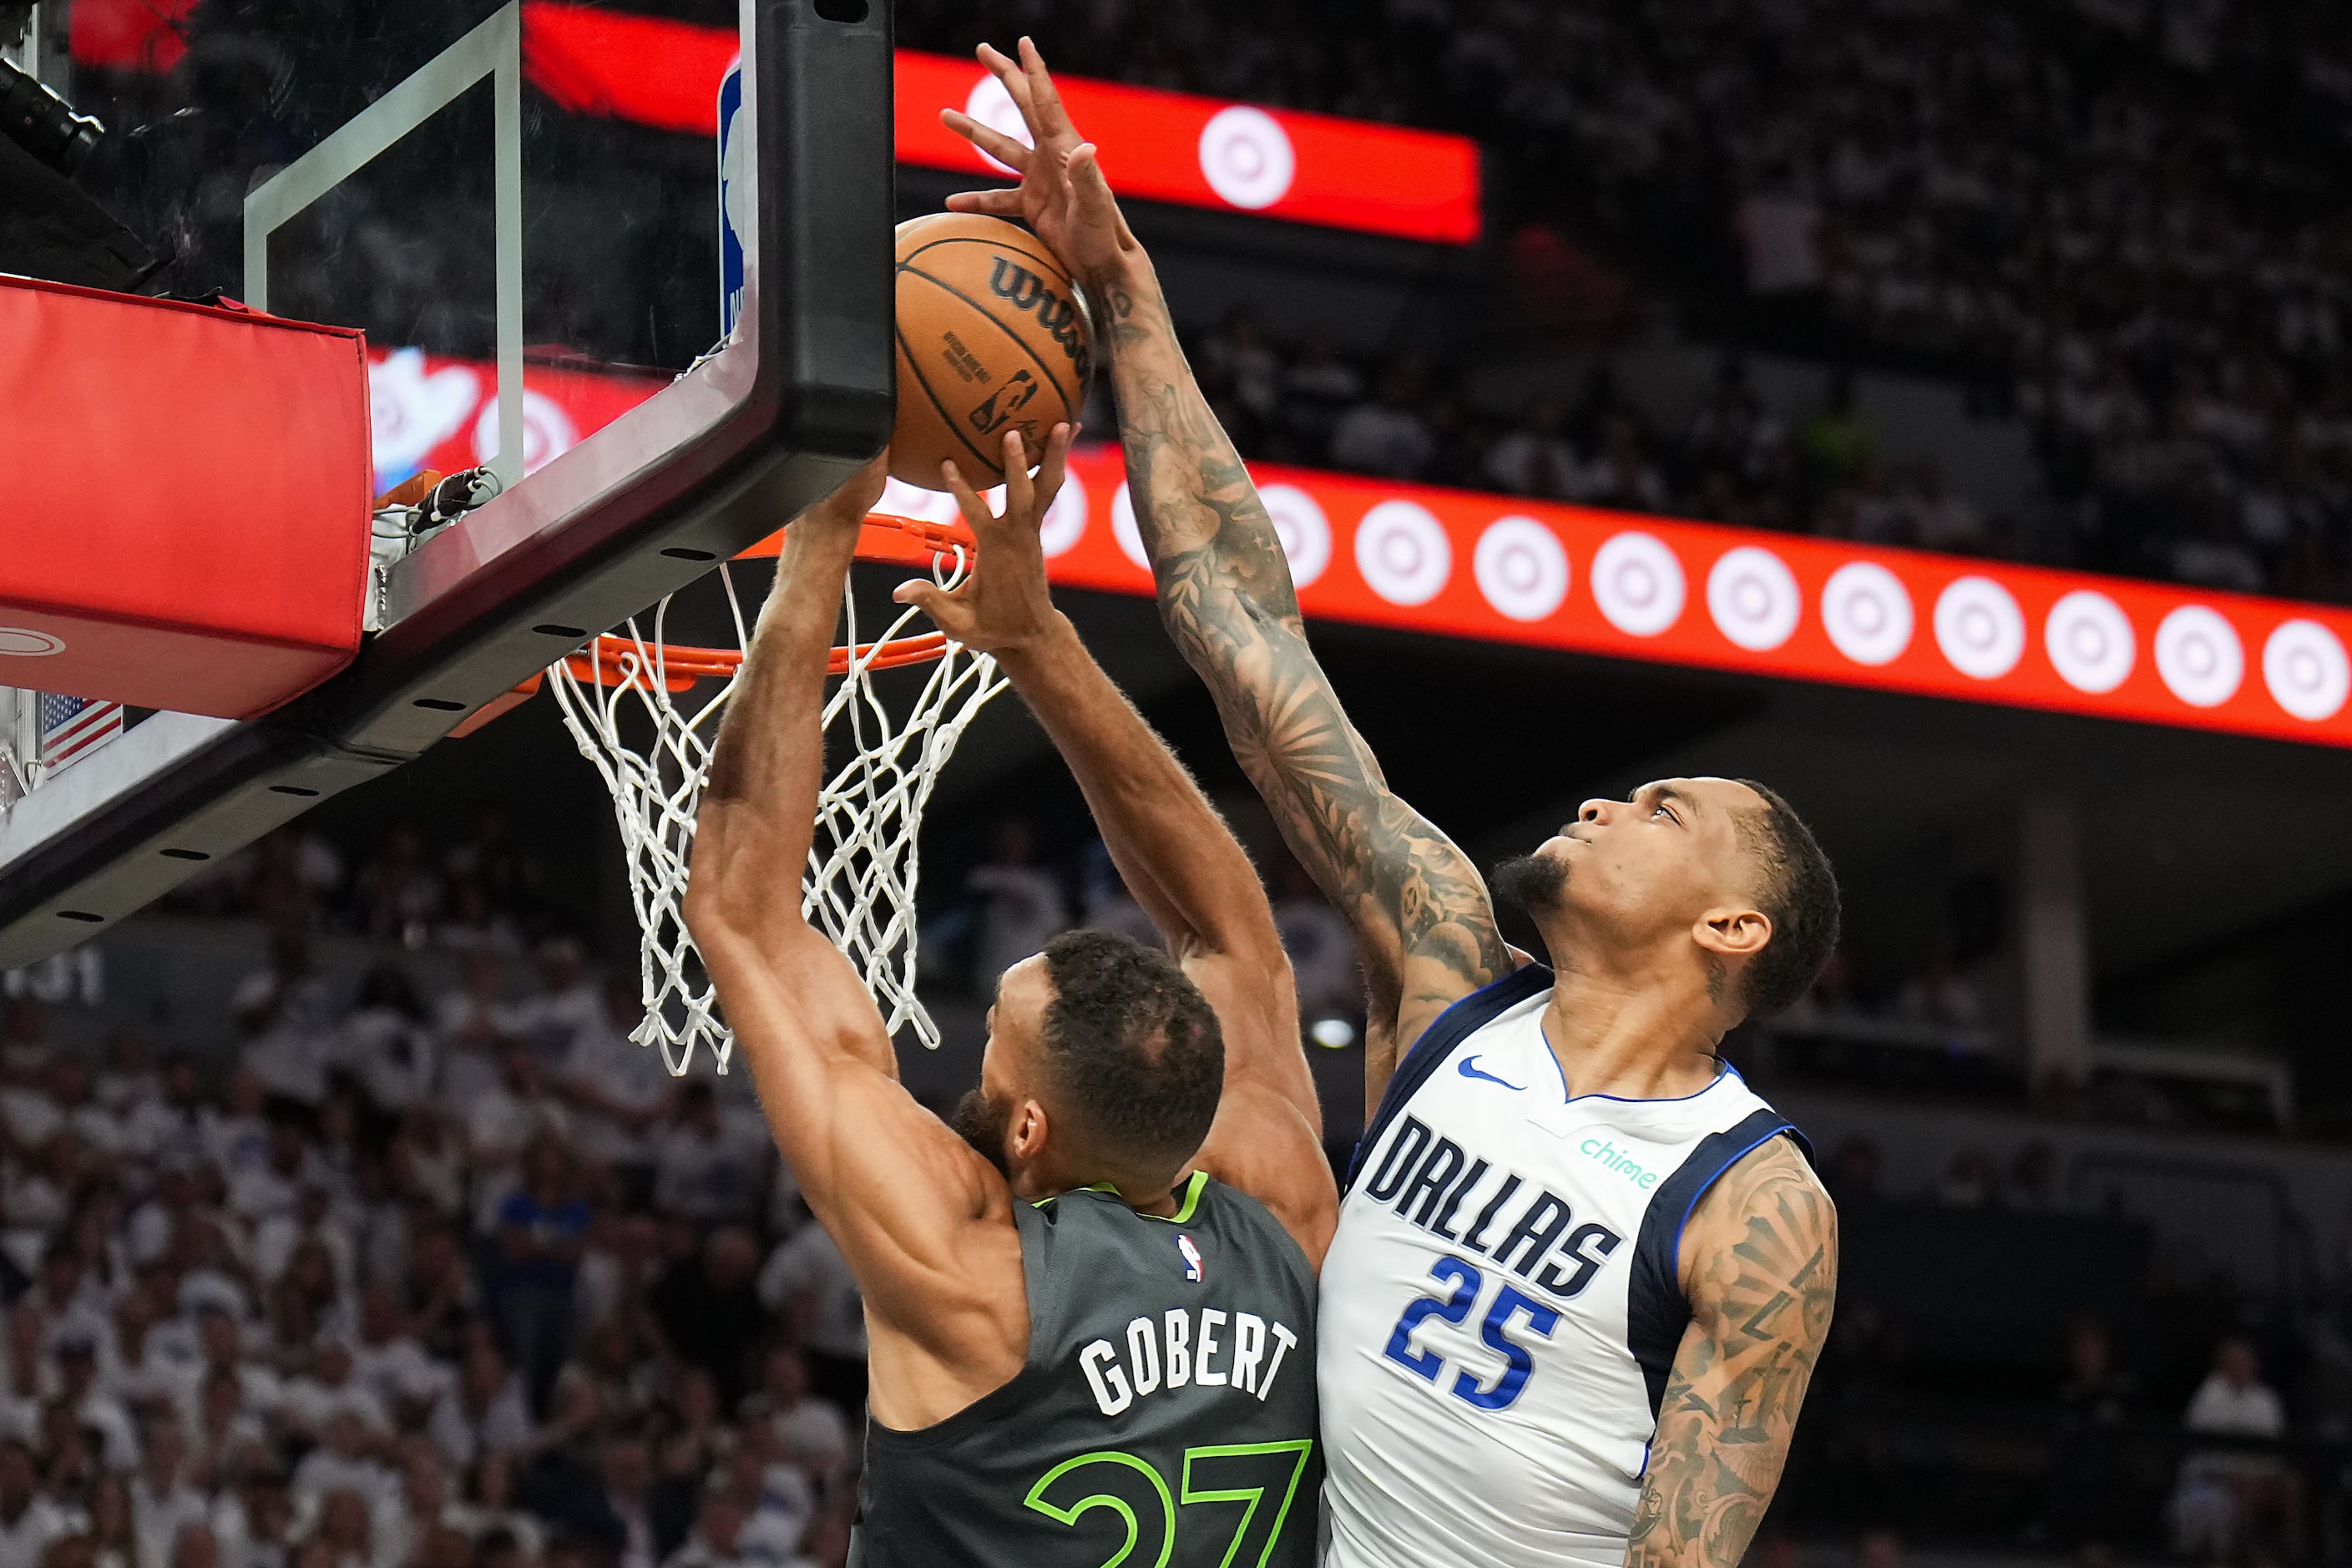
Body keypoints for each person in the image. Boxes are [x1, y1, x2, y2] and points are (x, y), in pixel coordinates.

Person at [943, 40, 1842, 1568]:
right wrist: (1127, 290)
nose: (1604, 799)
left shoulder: (1756, 1204)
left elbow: (1683, 1555)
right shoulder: (1444, 971)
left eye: (1662, 806)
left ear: (1732, 922)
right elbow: (1241, 630)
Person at [681, 431, 1335, 1564]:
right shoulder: (1281, 1209)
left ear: (1029, 1124)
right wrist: (1040, 640)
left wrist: (821, 542)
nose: (977, 1051)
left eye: (993, 1035)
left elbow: (745, 913)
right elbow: (1231, 930)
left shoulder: (971, 1270)